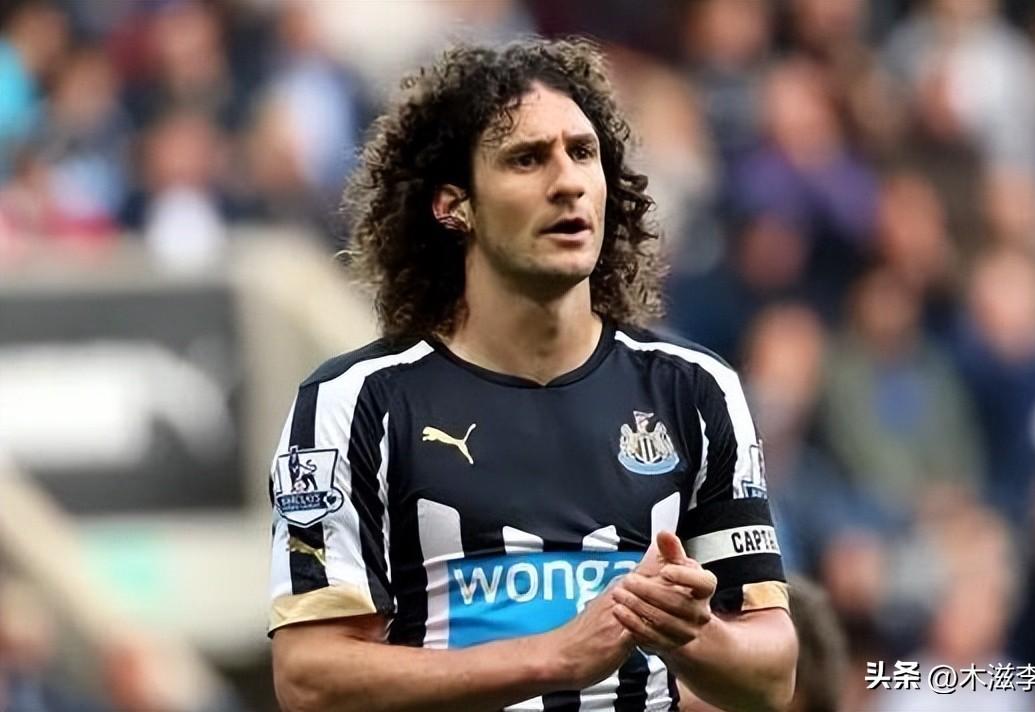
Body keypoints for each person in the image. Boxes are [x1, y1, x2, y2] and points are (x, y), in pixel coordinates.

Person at [268, 38, 797, 712]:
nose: (567, 181)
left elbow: (771, 673)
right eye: (527, 159)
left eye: (583, 153)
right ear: (454, 205)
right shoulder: (353, 405)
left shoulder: (694, 389)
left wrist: (687, 630)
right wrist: (554, 658)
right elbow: (309, 679)